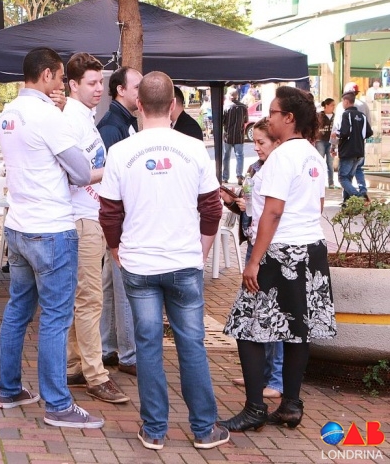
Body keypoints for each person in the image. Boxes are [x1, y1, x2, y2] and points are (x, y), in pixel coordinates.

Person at [99, 71, 229, 450]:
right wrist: (202, 250)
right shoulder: (194, 148)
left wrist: (116, 250)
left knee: (148, 345)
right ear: (173, 105)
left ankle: (155, 429)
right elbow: (212, 208)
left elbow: (109, 212)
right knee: (192, 344)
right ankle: (203, 429)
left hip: (139, 264)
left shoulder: (121, 152)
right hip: (184, 261)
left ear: (139, 105)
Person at [0, 47, 102, 429]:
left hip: (18, 224)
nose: (60, 85)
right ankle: (58, 403)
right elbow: (81, 172)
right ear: (46, 75)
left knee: (18, 309)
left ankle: (9, 389)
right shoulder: (48, 116)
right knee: (56, 318)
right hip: (52, 228)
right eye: (59, 77)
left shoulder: (8, 114)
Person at [221, 86, 336, 432]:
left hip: (281, 249)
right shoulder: (313, 155)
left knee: (247, 327)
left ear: (288, 117)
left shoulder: (282, 157)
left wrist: (253, 261)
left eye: (272, 112)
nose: (267, 117)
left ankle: (255, 407)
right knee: (298, 329)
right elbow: (316, 205)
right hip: (311, 248)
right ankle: (290, 404)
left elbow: (272, 212)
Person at [61, 53, 128, 404]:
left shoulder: (85, 119)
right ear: (73, 85)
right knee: (90, 298)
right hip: (81, 217)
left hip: (90, 215)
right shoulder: (71, 121)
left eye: (100, 82)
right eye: (91, 83)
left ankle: (76, 364)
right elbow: (79, 174)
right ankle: (95, 374)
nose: (99, 88)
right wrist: (115, 167)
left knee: (82, 297)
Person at [221, 118, 283, 400]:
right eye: (254, 142)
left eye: (261, 142)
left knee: (273, 314)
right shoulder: (255, 168)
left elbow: (274, 211)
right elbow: (250, 207)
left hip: (268, 246)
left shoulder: (279, 169)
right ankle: (259, 374)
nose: (256, 147)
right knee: (256, 313)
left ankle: (276, 379)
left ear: (276, 142)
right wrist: (235, 202)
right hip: (253, 243)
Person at [96, 67, 141, 376]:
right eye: (136, 86)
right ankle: (129, 354)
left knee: (111, 283)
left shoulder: (124, 122)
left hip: (119, 217)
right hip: (120, 218)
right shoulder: (113, 126)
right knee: (122, 284)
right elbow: (112, 181)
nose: (141, 91)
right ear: (121, 90)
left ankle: (108, 346)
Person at [334, 91, 372, 205]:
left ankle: (359, 197)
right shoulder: (362, 116)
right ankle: (347, 202)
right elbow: (369, 132)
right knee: (349, 177)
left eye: (343, 101)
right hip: (359, 151)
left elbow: (345, 132)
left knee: (342, 178)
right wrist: (358, 137)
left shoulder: (346, 114)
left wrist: (337, 134)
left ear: (346, 101)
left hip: (348, 151)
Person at [222, 87, 248, 184]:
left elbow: (222, 121)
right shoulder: (244, 107)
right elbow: (246, 120)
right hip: (239, 136)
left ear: (229, 96)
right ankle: (239, 176)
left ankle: (225, 177)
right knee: (240, 156)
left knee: (226, 157)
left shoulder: (226, 107)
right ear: (237, 96)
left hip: (228, 136)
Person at [315, 98, 336, 189]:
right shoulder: (319, 115)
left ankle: (331, 183)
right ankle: (318, 182)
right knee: (319, 161)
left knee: (330, 163)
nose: (333, 107)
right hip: (320, 140)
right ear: (326, 106)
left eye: (334, 105)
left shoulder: (335, 116)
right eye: (332, 105)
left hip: (331, 141)